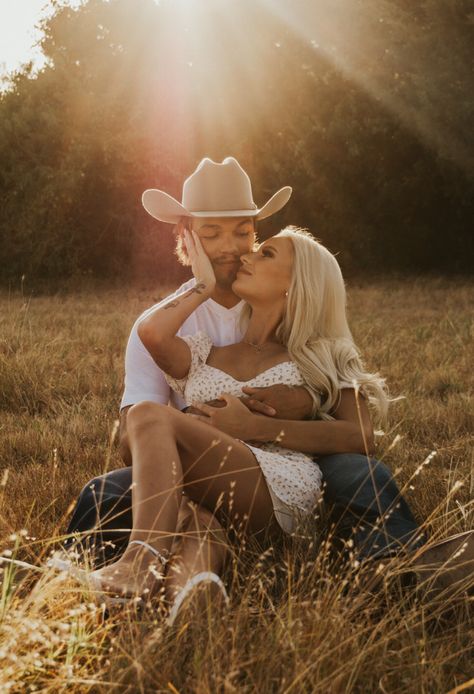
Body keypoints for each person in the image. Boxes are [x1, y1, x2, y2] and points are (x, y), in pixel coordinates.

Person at [64, 157, 472, 613]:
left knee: (360, 474)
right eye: (211, 233)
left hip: (286, 470)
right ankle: (144, 590)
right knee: (107, 492)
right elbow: (131, 439)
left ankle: (402, 579)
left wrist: (281, 414)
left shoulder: (305, 328)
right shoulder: (171, 326)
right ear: (185, 237)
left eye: (243, 233)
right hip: (186, 464)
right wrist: (210, 425)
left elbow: (356, 430)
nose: (234, 249)